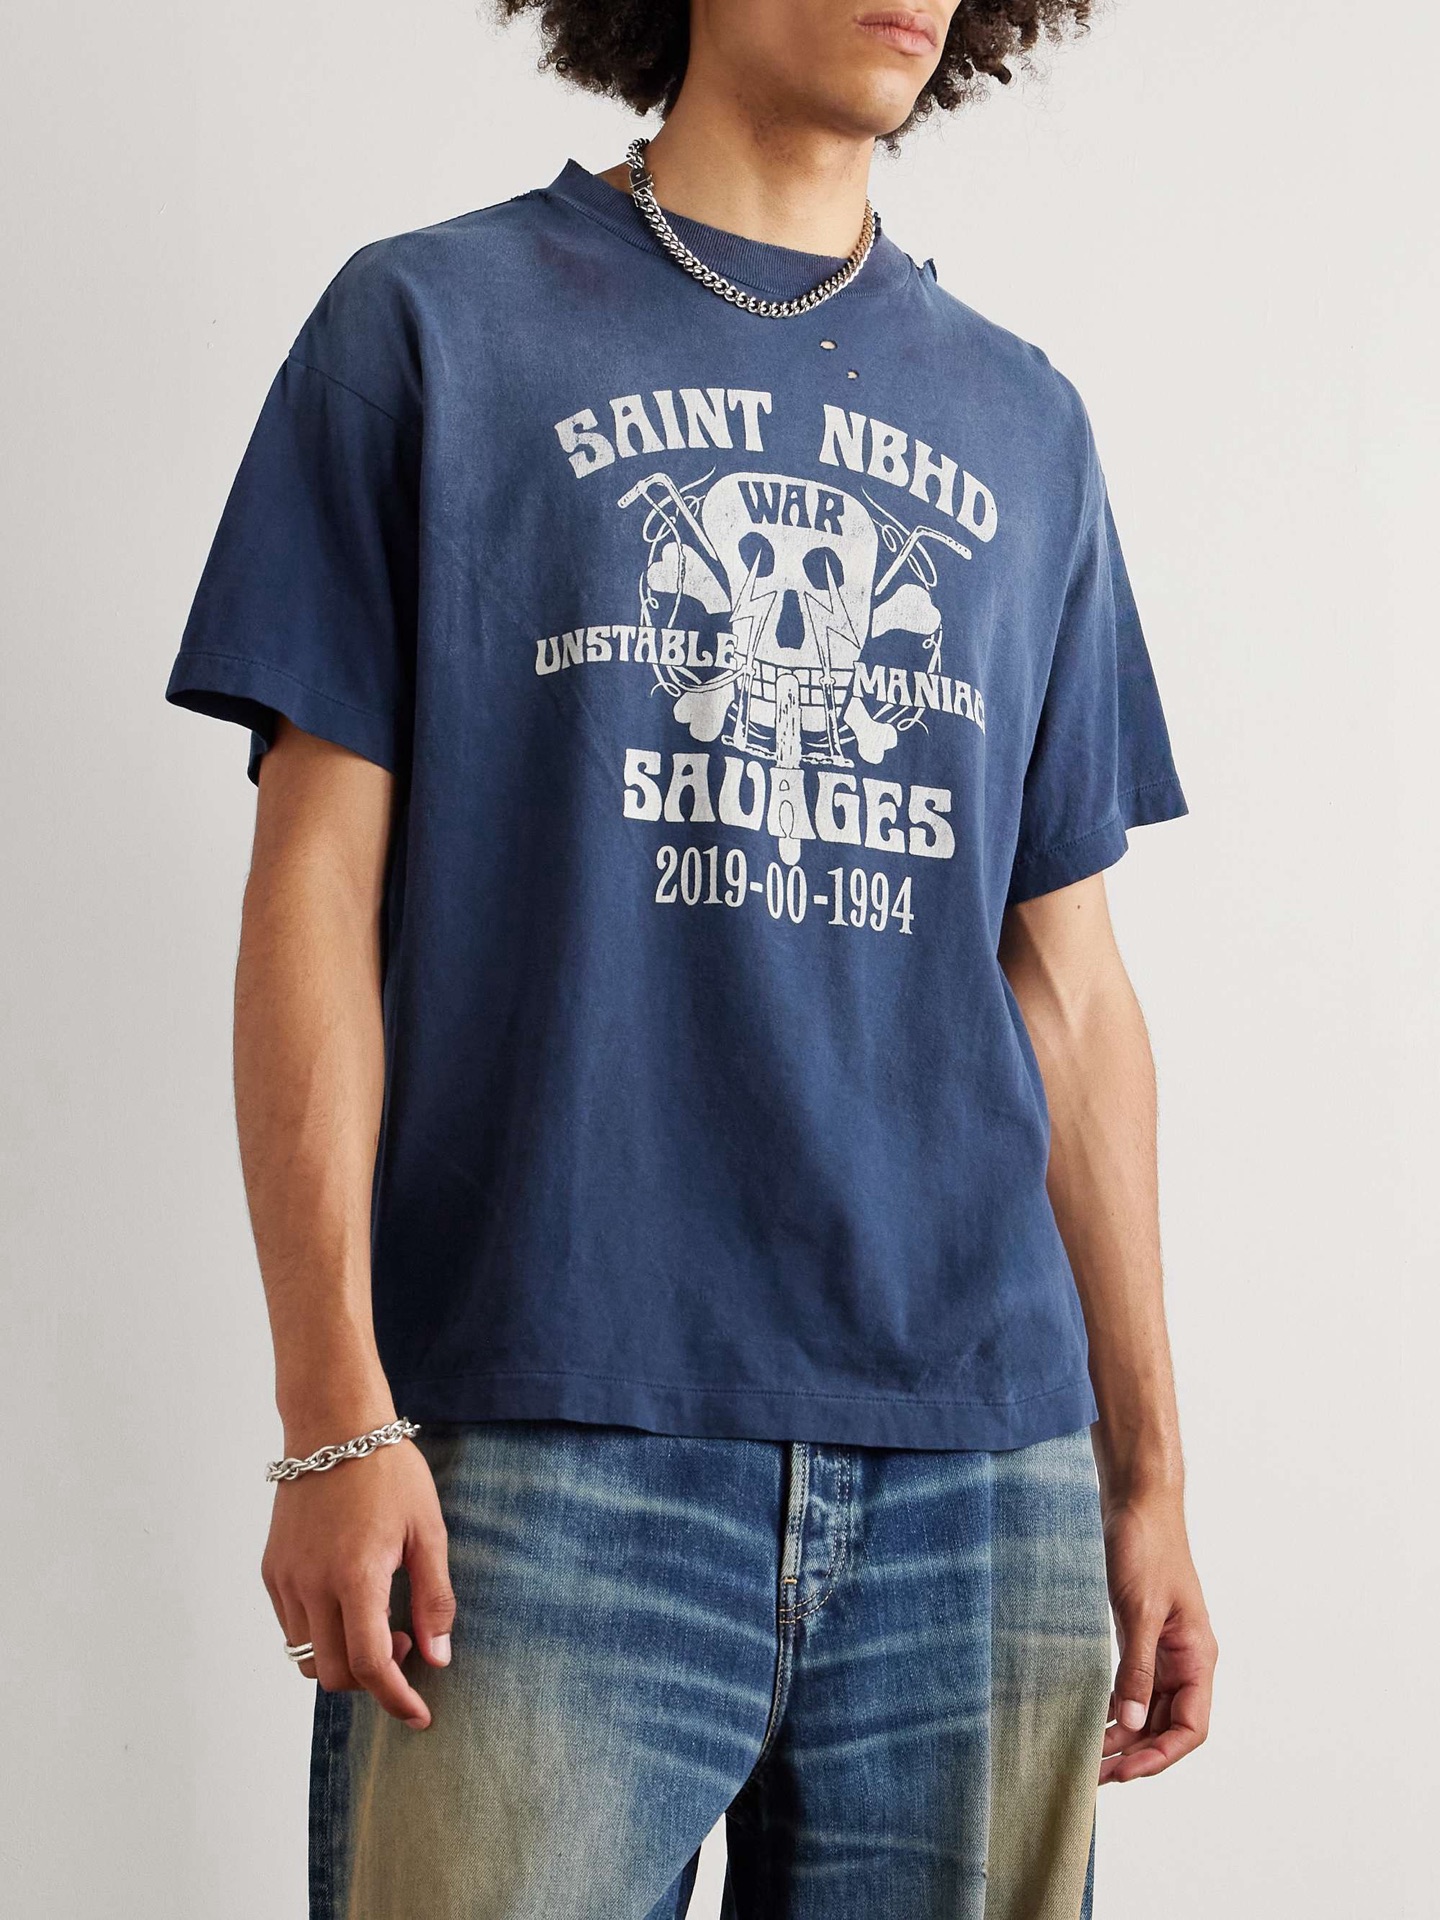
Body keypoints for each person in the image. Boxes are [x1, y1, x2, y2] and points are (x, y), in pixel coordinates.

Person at [165, 2, 1218, 1913]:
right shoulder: (432, 330)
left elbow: (1071, 992)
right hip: (551, 1438)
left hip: (982, 1481)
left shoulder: (1026, 421)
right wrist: (331, 1412)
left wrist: (1145, 1476)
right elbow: (311, 890)